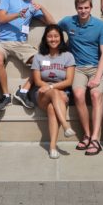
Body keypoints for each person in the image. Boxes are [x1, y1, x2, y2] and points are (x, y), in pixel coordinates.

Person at [58, 0, 103, 155]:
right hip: (78, 68)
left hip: (97, 67)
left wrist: (97, 78)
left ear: (91, 8)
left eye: (86, 8)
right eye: (80, 8)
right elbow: (53, 29)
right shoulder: (69, 21)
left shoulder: (101, 26)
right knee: (79, 94)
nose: (83, 11)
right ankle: (87, 135)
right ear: (76, 8)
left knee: (95, 95)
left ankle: (95, 138)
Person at [0, 0, 56, 110]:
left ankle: (23, 91)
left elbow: (52, 24)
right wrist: (18, 14)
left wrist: (42, 8)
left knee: (43, 62)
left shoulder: (31, 6)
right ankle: (5, 95)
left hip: (21, 44)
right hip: (3, 41)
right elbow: (1, 19)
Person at [31, 25, 77, 159]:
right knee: (54, 93)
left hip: (61, 94)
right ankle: (65, 125)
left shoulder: (68, 56)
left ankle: (52, 147)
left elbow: (69, 81)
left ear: (61, 38)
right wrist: (48, 88)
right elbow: (37, 81)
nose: (53, 39)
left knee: (52, 108)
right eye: (50, 36)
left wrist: (52, 87)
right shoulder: (39, 56)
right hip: (41, 94)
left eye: (56, 36)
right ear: (45, 38)